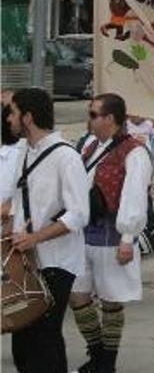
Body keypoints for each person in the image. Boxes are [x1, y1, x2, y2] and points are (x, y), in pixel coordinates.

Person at [7, 88, 90, 372]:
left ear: (28, 117)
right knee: (22, 339)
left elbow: (79, 213)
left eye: (13, 112)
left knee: (44, 340)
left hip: (56, 262)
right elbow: (19, 204)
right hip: (28, 262)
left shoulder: (66, 157)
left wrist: (35, 238)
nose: (8, 118)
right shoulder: (25, 154)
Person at [70, 94, 152, 373]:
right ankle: (97, 352)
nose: (89, 119)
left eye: (94, 114)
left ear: (110, 119)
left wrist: (127, 238)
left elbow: (133, 196)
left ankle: (106, 362)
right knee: (77, 295)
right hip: (83, 232)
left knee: (110, 299)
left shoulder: (134, 151)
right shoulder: (91, 145)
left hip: (112, 234)